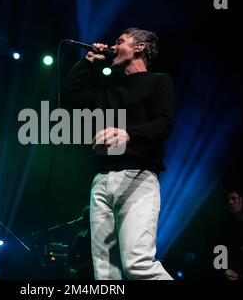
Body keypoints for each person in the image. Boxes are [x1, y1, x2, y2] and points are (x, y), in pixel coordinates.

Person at [63, 28, 175, 280]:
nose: (113, 46)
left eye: (120, 41)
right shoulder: (107, 88)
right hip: (101, 182)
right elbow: (69, 99)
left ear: (140, 47)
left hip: (138, 179)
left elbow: (164, 125)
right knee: (105, 274)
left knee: (137, 264)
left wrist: (128, 133)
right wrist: (87, 62)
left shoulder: (159, 81)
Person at [65, 206, 94, 280]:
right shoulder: (80, 236)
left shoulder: (102, 236)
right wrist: (71, 269)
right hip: (82, 275)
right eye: (85, 218)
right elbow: (70, 257)